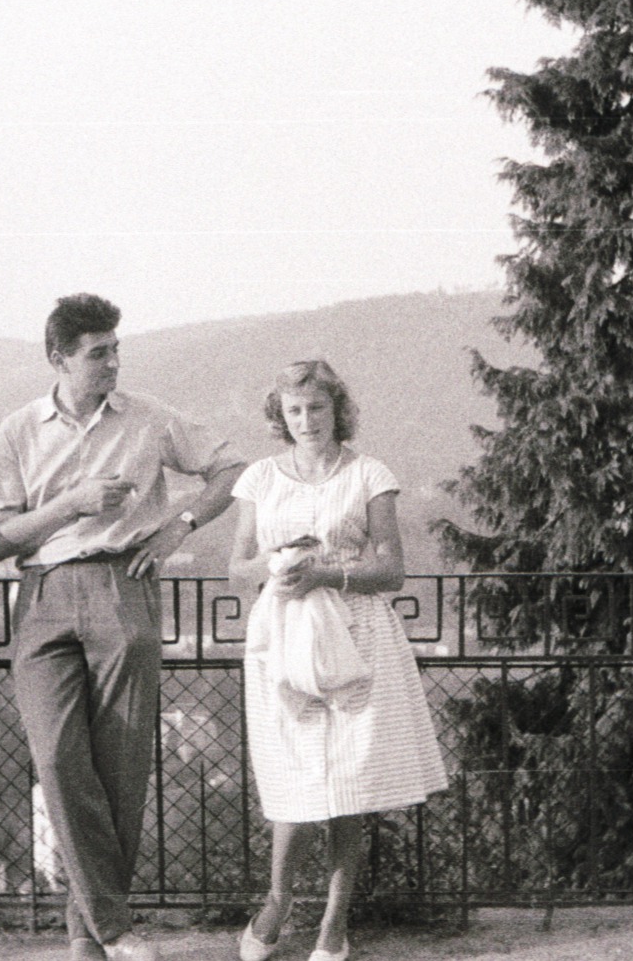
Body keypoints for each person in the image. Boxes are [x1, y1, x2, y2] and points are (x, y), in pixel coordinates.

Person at [0, 293, 244, 961]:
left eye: (116, 349)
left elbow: (231, 469)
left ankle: (85, 935)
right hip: (41, 596)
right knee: (57, 759)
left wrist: (178, 524)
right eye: (98, 353)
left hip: (122, 586)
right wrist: (70, 503)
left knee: (120, 768)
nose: (113, 363)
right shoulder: (17, 430)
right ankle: (113, 924)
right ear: (57, 358)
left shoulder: (150, 419)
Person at [229, 360, 448, 961]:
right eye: (294, 410)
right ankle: (277, 902)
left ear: (336, 409)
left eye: (317, 408)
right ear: (281, 415)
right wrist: (278, 563)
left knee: (350, 782)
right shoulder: (258, 479)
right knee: (293, 777)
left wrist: (326, 572)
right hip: (283, 636)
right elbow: (238, 567)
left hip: (359, 632)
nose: (307, 421)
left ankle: (334, 922)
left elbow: (392, 569)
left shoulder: (369, 473)